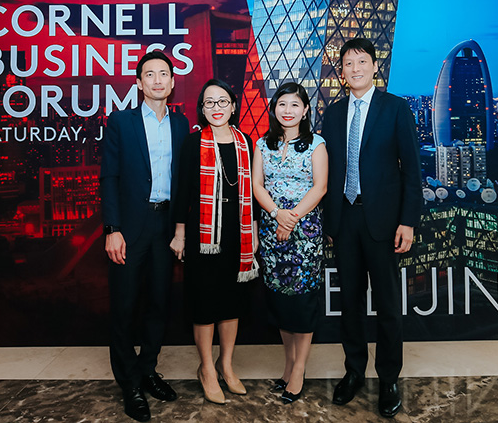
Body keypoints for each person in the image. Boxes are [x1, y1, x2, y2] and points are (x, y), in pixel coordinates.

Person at [321, 38, 423, 418]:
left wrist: (408, 221)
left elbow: (412, 170)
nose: (355, 68)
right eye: (348, 63)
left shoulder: (395, 108)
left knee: (387, 307)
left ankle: (389, 378)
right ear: (342, 72)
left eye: (362, 61)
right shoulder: (332, 114)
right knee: (349, 303)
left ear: (374, 66)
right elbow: (328, 171)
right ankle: (353, 372)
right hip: (344, 220)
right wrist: (330, 220)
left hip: (383, 221)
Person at [100, 51, 190, 422]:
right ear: (138, 83)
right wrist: (112, 229)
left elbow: (184, 183)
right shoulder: (121, 122)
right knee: (124, 307)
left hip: (166, 226)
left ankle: (149, 370)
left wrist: (181, 229)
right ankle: (130, 382)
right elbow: (109, 177)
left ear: (172, 82)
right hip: (130, 228)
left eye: (163, 74)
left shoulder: (183, 124)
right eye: (149, 74)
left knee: (158, 303)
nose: (157, 80)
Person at [169, 79, 259, 405]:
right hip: (202, 234)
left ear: (233, 106)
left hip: (237, 234)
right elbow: (181, 193)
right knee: (204, 303)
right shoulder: (193, 143)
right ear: (202, 109)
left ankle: (227, 365)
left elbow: (250, 193)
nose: (217, 108)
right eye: (210, 103)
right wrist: (179, 234)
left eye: (223, 102)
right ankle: (206, 368)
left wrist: (254, 230)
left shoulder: (245, 142)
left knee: (232, 301)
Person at [252, 81, 328, 404]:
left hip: (304, 234)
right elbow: (257, 185)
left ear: (306, 110)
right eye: (282, 104)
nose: (288, 111)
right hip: (272, 234)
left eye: (294, 105)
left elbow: (320, 187)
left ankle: (299, 370)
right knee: (281, 303)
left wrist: (292, 216)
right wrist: (276, 213)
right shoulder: (261, 144)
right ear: (274, 109)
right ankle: (288, 365)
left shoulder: (316, 144)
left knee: (302, 304)